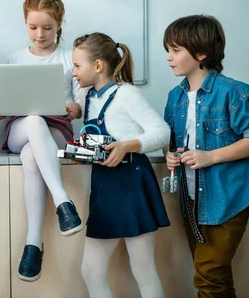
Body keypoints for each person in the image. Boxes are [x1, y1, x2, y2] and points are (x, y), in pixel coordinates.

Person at [163, 15, 249, 297]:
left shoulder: (233, 92)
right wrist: (170, 156)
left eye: (176, 50)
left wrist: (210, 157)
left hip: (228, 196)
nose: (169, 57)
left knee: (208, 276)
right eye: (168, 50)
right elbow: (175, 143)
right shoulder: (174, 97)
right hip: (191, 197)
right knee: (216, 276)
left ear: (201, 53)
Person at [72, 32, 170, 298]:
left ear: (98, 66)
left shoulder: (126, 94)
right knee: (91, 270)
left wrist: (128, 145)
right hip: (104, 188)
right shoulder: (88, 96)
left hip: (132, 183)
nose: (73, 73)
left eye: (77, 66)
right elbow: (78, 113)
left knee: (143, 268)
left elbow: (162, 131)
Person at [1, 0, 83, 282]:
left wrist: (74, 106)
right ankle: (63, 202)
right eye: (33, 27)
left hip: (57, 130)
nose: (40, 34)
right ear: (25, 23)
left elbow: (80, 102)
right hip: (20, 129)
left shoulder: (69, 58)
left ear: (59, 24)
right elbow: (1, 104)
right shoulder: (13, 58)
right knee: (33, 120)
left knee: (30, 155)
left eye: (47, 28)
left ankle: (33, 243)